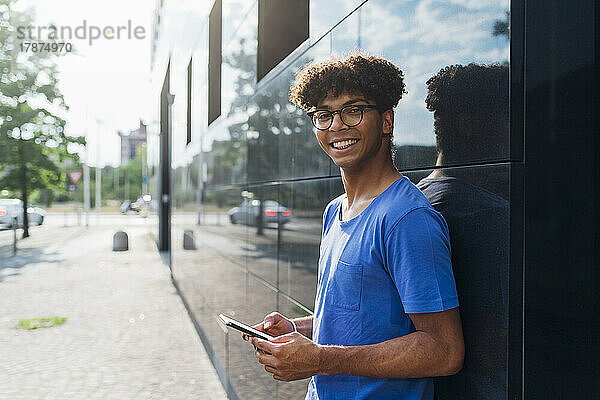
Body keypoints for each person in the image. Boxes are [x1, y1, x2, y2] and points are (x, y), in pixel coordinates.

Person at [243, 53, 464, 400]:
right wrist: (296, 331)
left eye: (353, 110)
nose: (336, 126)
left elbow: (444, 351)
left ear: (386, 121)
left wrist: (319, 358)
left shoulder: (407, 219)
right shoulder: (335, 211)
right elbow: (357, 323)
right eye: (324, 115)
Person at [417, 64, 509, 400]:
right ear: (470, 125)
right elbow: (485, 349)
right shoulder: (487, 214)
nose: (512, 130)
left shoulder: (414, 201)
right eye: (506, 117)